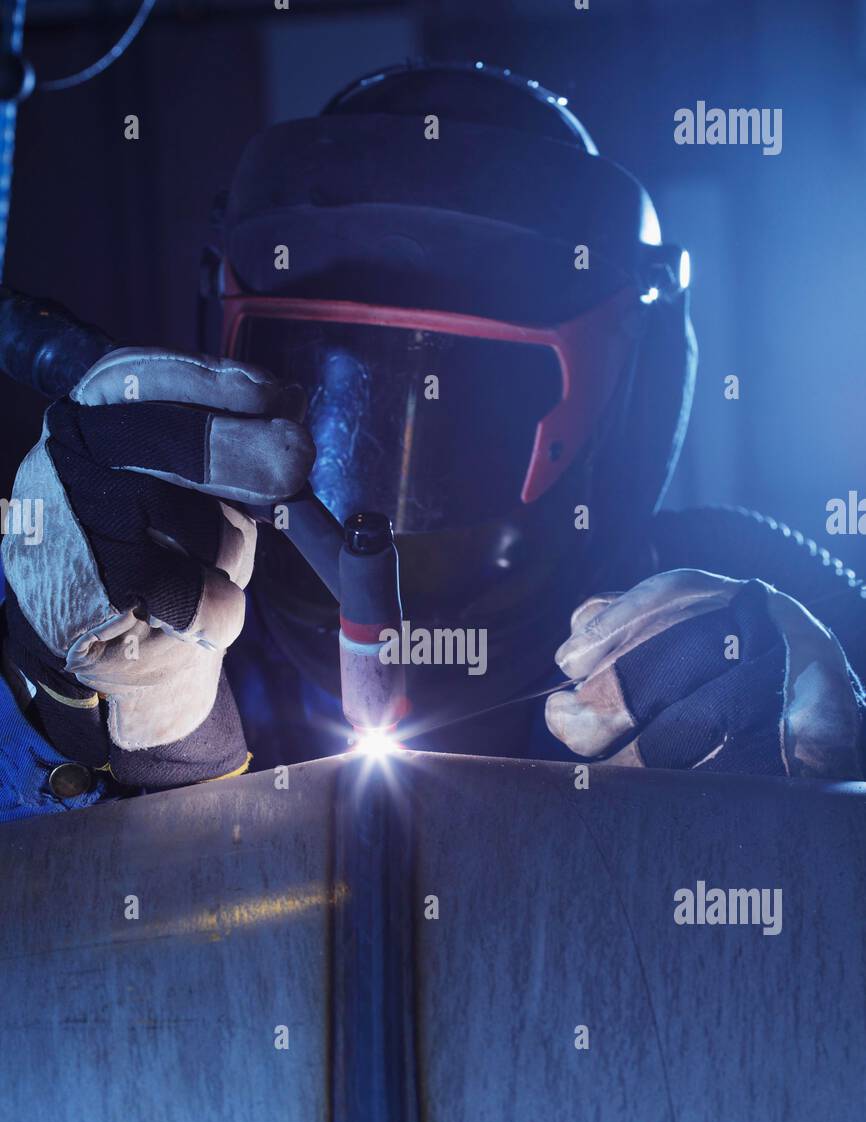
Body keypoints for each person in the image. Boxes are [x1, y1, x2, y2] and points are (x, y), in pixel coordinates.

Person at [1, 61, 862, 822]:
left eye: (469, 432)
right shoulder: (154, 589)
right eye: (331, 410)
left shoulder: (738, 630)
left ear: (622, 401)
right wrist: (51, 708)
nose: (385, 522)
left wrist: (824, 813)